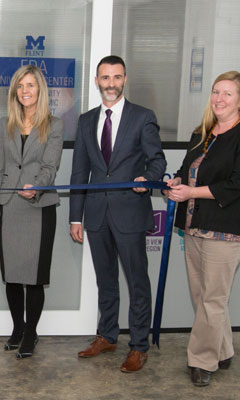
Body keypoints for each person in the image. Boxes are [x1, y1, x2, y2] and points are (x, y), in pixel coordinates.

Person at [69, 55, 166, 372]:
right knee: (106, 280)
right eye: (105, 78)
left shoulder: (143, 117)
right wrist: (75, 216)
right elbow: (79, 171)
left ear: (125, 79)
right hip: (96, 216)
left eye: (116, 77)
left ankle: (139, 346)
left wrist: (148, 180)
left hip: (130, 214)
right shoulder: (85, 121)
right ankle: (107, 335)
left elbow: (157, 160)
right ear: (97, 81)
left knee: (138, 282)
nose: (111, 83)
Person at [166, 71, 240, 387]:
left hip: (224, 231)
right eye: (215, 92)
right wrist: (175, 183)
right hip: (194, 227)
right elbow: (185, 171)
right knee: (203, 297)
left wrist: (192, 193)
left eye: (227, 93)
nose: (219, 99)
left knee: (213, 299)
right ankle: (222, 349)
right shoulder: (203, 133)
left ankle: (201, 360)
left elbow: (235, 184)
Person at [0, 65, 64, 358]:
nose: (25, 91)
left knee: (34, 276)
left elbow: (51, 165)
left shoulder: (54, 125)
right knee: (14, 275)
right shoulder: (4, 123)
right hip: (9, 206)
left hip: (38, 207)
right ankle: (17, 328)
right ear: (15, 92)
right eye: (20, 86)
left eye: (30, 85)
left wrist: (38, 186)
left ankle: (31, 333)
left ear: (40, 89)